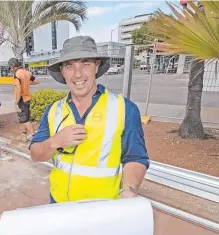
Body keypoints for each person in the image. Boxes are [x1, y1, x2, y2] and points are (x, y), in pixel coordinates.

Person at [29, 36, 149, 204]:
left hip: (102, 212)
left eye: (86, 64)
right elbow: (35, 154)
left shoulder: (124, 108)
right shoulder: (53, 110)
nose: (78, 74)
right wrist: (55, 141)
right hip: (58, 206)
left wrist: (129, 189)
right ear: (62, 71)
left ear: (96, 66)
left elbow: (135, 157)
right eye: (70, 66)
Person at [8, 58, 40, 141]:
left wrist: (16, 101)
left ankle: (33, 135)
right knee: (24, 118)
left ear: (14, 66)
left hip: (21, 99)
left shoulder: (17, 74)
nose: (11, 70)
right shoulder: (27, 73)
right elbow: (37, 81)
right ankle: (24, 136)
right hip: (27, 98)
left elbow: (18, 88)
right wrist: (27, 83)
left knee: (24, 119)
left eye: (11, 68)